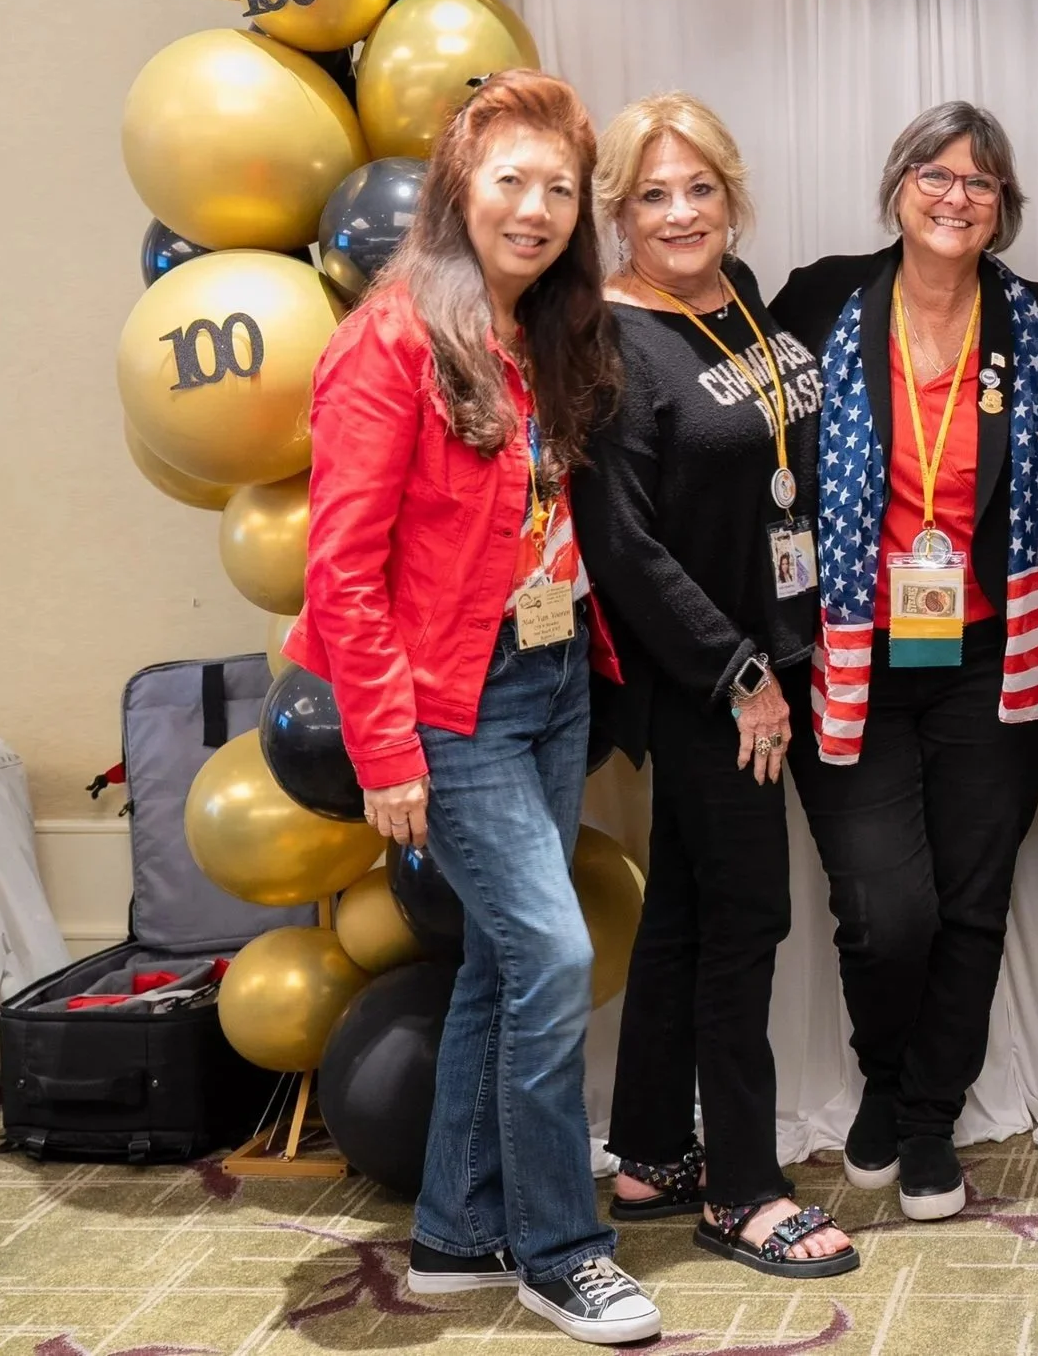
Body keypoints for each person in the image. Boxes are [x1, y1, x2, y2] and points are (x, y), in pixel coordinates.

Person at [285, 70, 660, 1344]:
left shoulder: (540, 327)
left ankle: (454, 1228)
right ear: (458, 186)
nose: (538, 207)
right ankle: (562, 1248)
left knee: (506, 960)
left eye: (559, 187)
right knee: (552, 954)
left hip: (547, 676)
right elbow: (337, 570)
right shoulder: (388, 341)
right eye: (511, 180)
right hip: (453, 701)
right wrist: (387, 752)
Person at [768, 102, 1038, 1223]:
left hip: (993, 656)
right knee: (882, 905)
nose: (956, 196)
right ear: (897, 184)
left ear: (1004, 206)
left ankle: (921, 1119)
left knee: (970, 901)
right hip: (850, 649)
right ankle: (880, 1072)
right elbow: (754, 459)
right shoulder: (820, 300)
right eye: (934, 174)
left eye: (981, 182)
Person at [571, 93, 855, 1279]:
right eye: (652, 194)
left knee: (687, 909)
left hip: (772, 653)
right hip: (709, 680)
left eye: (698, 187)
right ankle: (742, 1189)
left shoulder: (741, 298)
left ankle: (647, 1149)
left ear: (729, 192)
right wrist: (740, 670)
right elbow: (622, 542)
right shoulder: (613, 340)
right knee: (749, 919)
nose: (681, 212)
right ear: (617, 212)